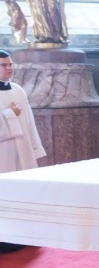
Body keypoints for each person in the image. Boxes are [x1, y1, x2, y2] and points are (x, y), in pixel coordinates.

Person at [0, 49, 46, 253]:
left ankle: (26, 234)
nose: (9, 68)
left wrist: (35, 149)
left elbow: (29, 123)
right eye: (4, 65)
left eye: (10, 64)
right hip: (3, 154)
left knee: (23, 192)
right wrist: (9, 114)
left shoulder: (18, 90)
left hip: (23, 150)